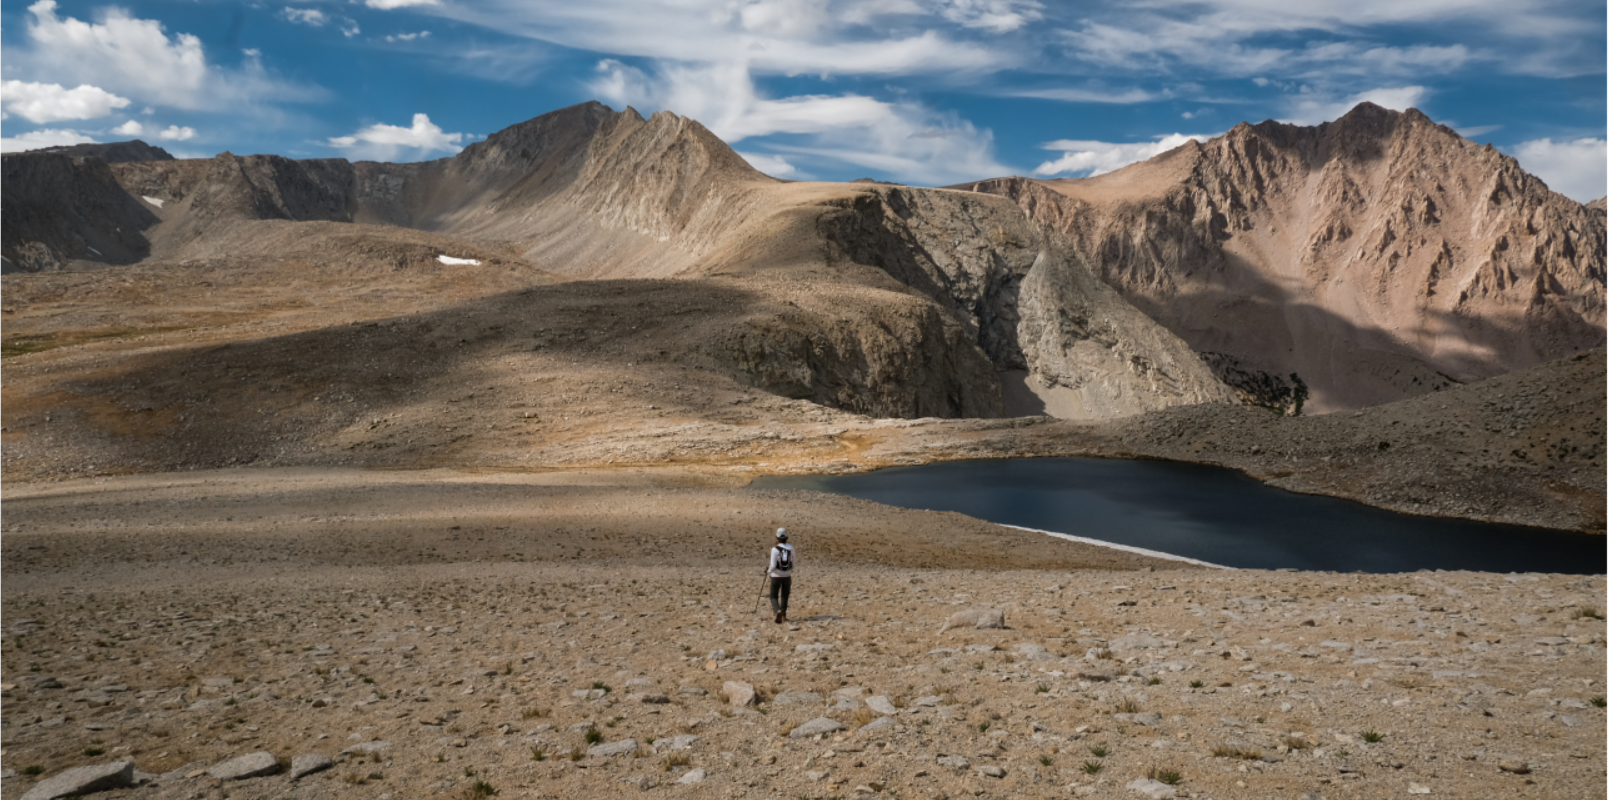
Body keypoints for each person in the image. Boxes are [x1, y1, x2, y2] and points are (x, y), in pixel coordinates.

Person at [767, 528, 795, 624]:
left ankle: (777, 610)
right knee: (785, 595)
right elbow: (793, 563)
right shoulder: (791, 548)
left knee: (773, 596)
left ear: (777, 538)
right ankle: (783, 615)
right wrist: (790, 571)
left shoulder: (774, 550)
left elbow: (773, 566)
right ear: (787, 537)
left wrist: (768, 571)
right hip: (787, 575)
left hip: (776, 576)